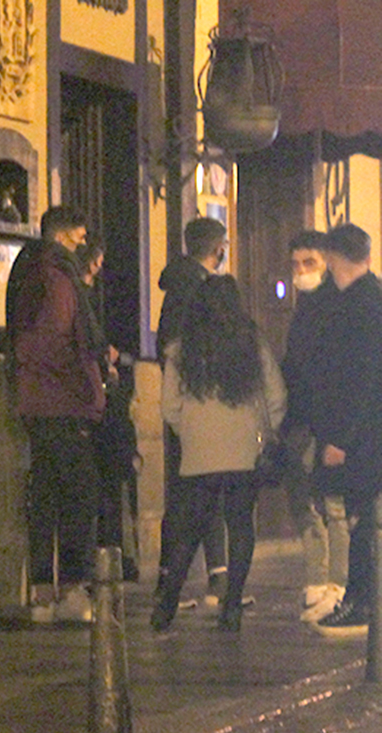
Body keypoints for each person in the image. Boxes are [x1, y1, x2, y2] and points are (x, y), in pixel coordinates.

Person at [154, 275, 285, 632]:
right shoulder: (251, 344)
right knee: (241, 525)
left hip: (199, 454)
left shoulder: (181, 351)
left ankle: (166, 603)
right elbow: (275, 395)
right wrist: (263, 432)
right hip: (244, 450)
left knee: (191, 528)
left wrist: (191, 433)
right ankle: (232, 606)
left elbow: (169, 408)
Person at [7, 206, 102, 623]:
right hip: (61, 400)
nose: (83, 246)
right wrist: (88, 383)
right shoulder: (56, 275)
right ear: (63, 237)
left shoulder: (26, 268)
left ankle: (43, 593)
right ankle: (71, 590)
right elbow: (59, 336)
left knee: (44, 496)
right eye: (80, 238)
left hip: (33, 399)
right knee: (78, 495)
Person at [297, 224, 382, 638]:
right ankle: (360, 599)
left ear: (335, 257)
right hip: (362, 435)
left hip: (361, 439)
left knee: (361, 520)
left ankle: (361, 601)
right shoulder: (365, 298)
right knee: (361, 519)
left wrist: (342, 440)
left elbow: (363, 378)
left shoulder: (362, 305)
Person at [156, 217, 232, 607]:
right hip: (200, 406)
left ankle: (197, 578)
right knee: (200, 491)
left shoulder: (178, 287)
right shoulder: (200, 291)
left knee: (190, 490)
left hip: (184, 406)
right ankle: (193, 582)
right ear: (218, 248)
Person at [278, 230, 349, 623]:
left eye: (310, 264)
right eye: (296, 264)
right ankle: (317, 580)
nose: (301, 272)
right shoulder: (304, 306)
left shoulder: (336, 305)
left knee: (334, 504)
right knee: (304, 500)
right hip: (302, 418)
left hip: (328, 418)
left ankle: (337, 584)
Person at [77, 239, 139, 581]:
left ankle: (110, 556)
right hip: (101, 406)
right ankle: (111, 555)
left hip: (98, 404)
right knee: (108, 488)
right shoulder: (82, 300)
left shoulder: (83, 299)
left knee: (104, 488)